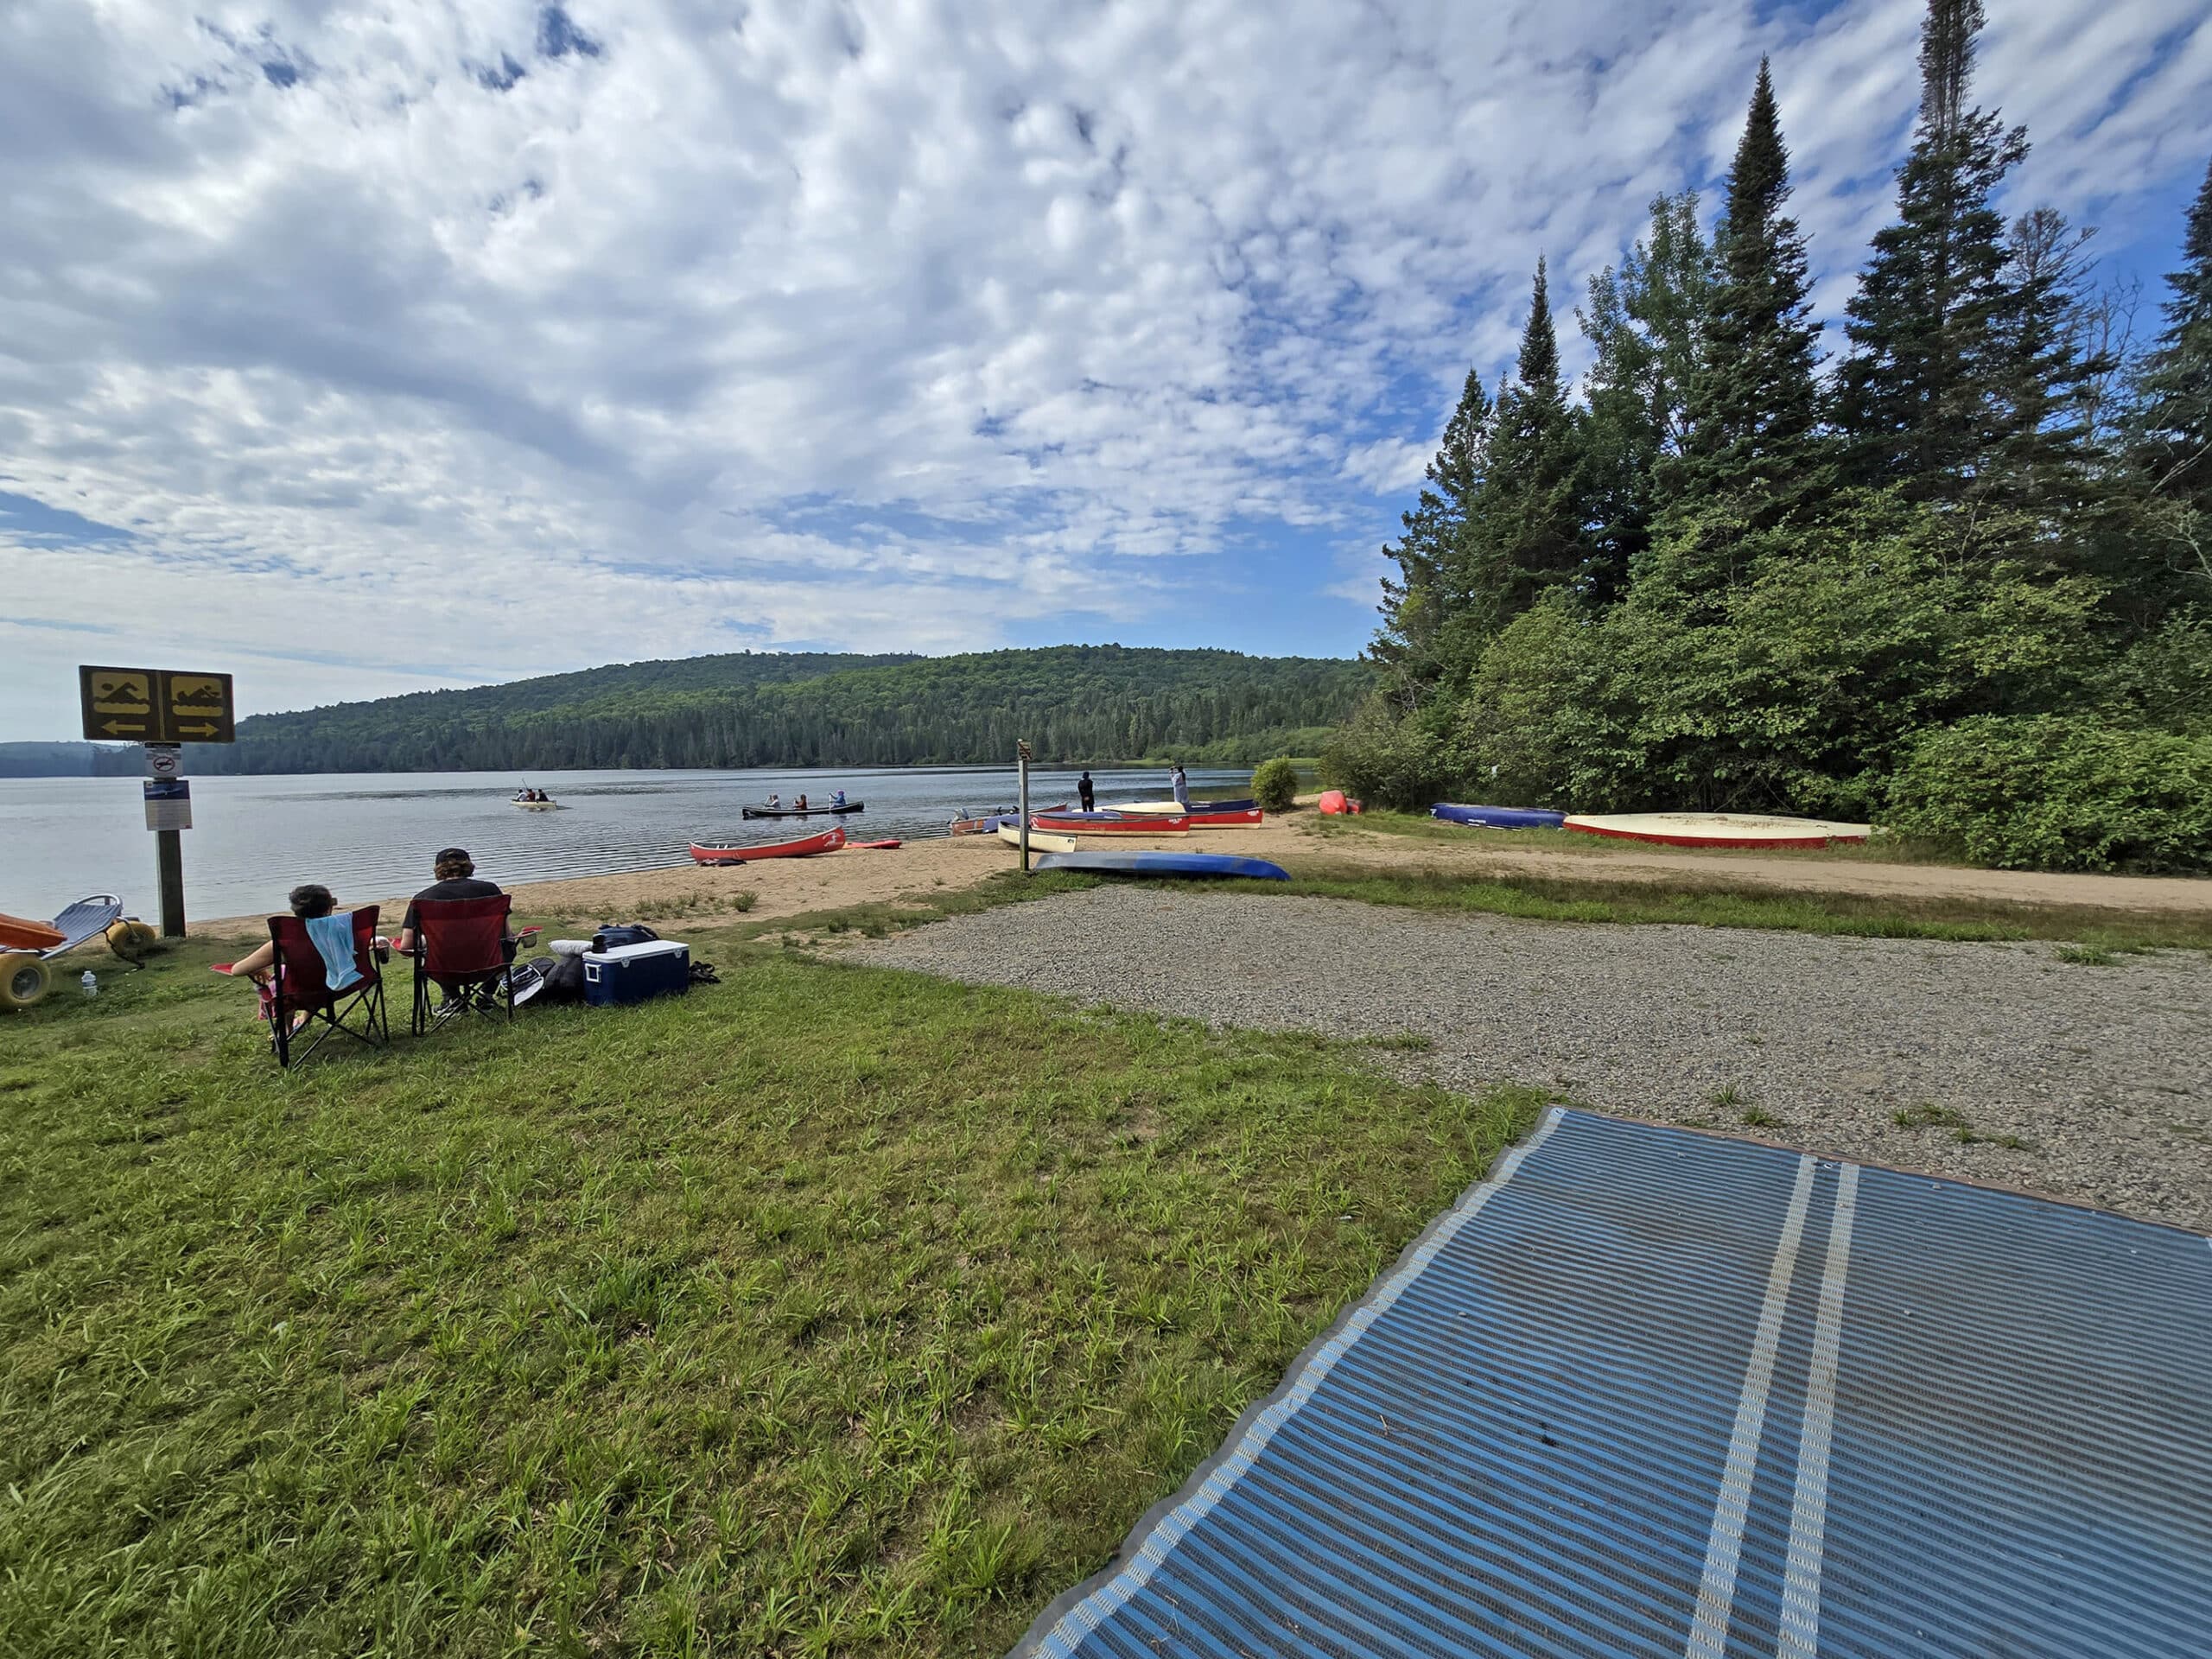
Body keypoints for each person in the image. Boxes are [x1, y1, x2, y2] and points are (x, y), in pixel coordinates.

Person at [223, 883, 342, 1032]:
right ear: (329, 908)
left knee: (284, 982)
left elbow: (237, 970)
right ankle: (304, 1019)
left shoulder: (284, 943)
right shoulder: (343, 935)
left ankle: (287, 1030)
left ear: (295, 911)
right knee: (313, 974)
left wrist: (259, 968)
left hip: (299, 993)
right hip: (341, 987)